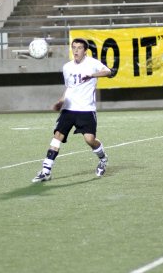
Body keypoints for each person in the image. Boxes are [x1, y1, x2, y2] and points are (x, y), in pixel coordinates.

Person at [32, 37, 113, 183]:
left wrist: (92, 75)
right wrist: (61, 101)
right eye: (73, 47)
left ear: (85, 50)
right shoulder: (67, 67)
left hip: (86, 109)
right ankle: (46, 171)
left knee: (90, 140)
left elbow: (108, 72)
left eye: (79, 48)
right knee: (57, 137)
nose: (76, 50)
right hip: (69, 109)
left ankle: (103, 159)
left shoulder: (92, 63)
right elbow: (69, 88)